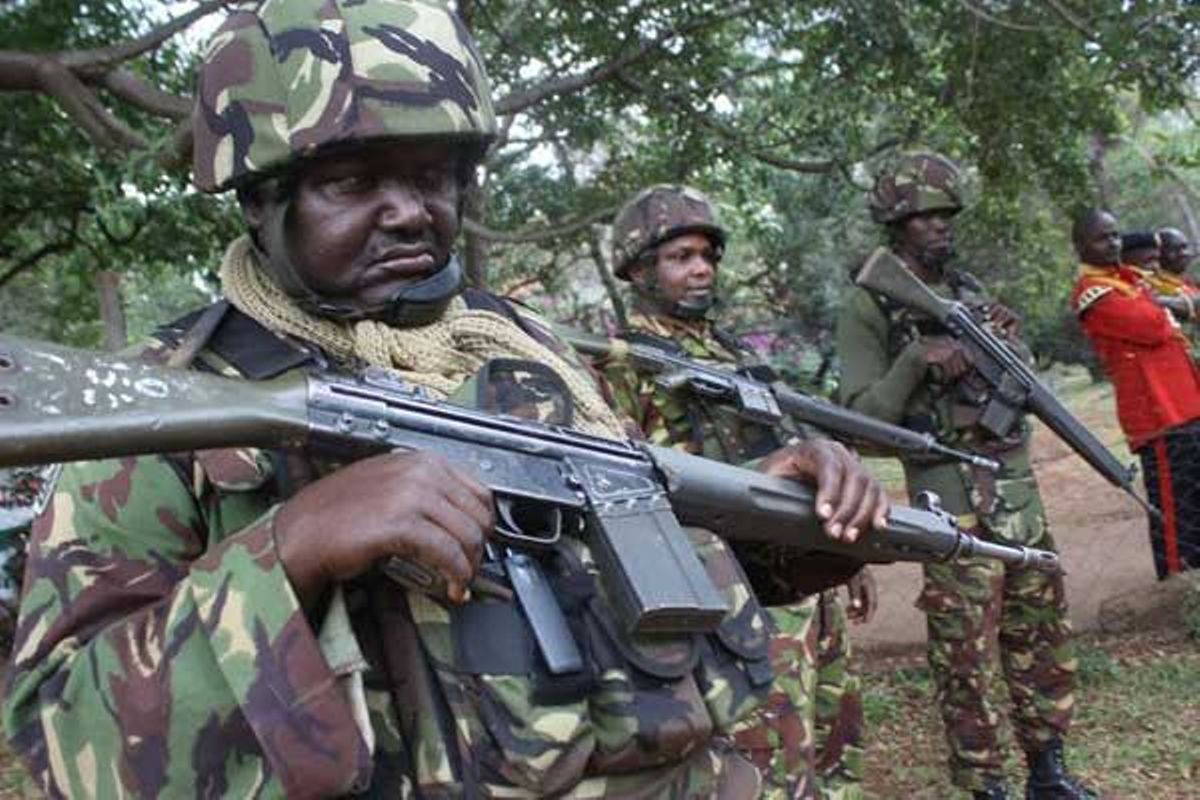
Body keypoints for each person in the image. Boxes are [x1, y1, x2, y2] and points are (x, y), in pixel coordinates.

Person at [1, 3, 891, 797]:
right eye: (352, 182)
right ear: (261, 199)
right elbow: (64, 743)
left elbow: (626, 544)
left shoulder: (519, 347)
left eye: (434, 176)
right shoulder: (163, 406)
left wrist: (771, 513)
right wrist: (291, 547)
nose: (409, 212)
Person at [596, 184, 878, 799]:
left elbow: (797, 449)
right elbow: (622, 486)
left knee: (836, 745)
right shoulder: (618, 362)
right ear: (638, 268)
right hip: (736, 601)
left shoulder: (734, 352)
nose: (701, 269)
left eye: (708, 256)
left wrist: (840, 551)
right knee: (770, 764)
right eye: (681, 257)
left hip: (806, 588)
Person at [836, 152, 1096, 800]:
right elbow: (858, 421)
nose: (938, 227)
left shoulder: (969, 290)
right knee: (965, 657)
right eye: (923, 217)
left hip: (1017, 500)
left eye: (945, 215)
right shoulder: (870, 305)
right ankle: (986, 786)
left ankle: (1048, 769)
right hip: (949, 506)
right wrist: (917, 361)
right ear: (895, 224)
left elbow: (1018, 387)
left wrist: (1010, 342)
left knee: (1040, 636)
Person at [1071, 209, 1200, 578]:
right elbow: (1153, 325)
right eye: (1101, 238)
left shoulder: (1127, 280)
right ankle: (1178, 590)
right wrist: (1168, 308)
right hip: (1158, 416)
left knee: (1194, 506)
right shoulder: (1093, 293)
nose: (1112, 243)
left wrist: (1167, 304)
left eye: (1115, 235)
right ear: (1080, 246)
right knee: (1176, 516)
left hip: (1186, 407)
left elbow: (1180, 303)